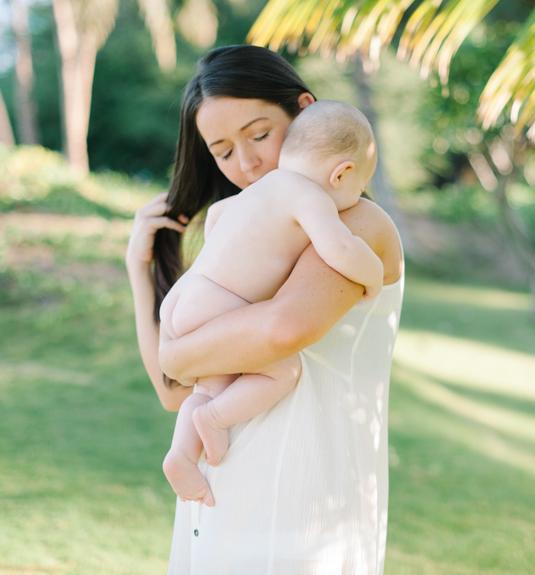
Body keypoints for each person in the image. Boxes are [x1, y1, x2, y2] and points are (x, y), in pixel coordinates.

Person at [125, 45, 404, 574]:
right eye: (223, 151)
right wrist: (140, 273)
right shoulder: (245, 237)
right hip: (222, 487)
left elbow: (283, 330)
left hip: (307, 502)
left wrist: (178, 354)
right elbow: (172, 390)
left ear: (303, 112)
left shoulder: (358, 222)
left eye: (258, 135)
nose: (247, 163)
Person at [160, 100, 384, 508]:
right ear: (342, 174)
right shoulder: (309, 196)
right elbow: (340, 247)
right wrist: (372, 277)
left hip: (188, 297)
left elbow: (216, 216)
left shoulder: (260, 190)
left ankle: (180, 455)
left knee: (211, 383)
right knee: (284, 370)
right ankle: (213, 419)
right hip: (218, 303)